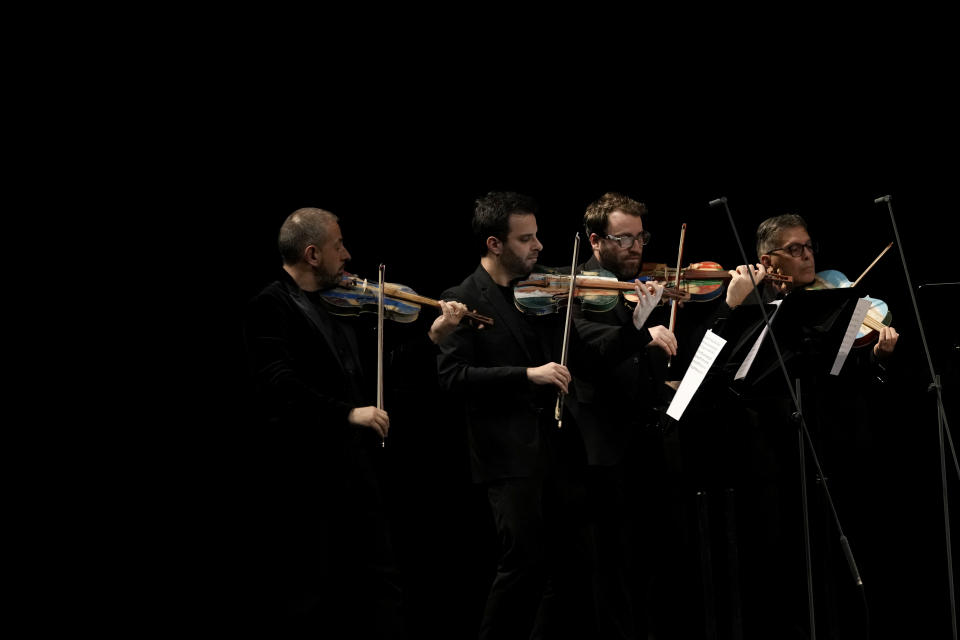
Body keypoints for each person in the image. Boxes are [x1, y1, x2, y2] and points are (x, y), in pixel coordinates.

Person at [436, 192, 665, 640]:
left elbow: (590, 360)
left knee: (575, 570)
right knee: (523, 568)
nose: (539, 247)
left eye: (537, 235)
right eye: (526, 239)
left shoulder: (543, 293)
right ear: (494, 244)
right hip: (508, 457)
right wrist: (527, 374)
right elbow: (453, 377)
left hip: (562, 451)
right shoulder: (461, 299)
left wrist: (638, 325)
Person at [242, 207, 467, 638]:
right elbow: (278, 386)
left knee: (381, 585)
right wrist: (346, 412)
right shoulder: (269, 306)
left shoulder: (339, 305)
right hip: (306, 477)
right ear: (312, 253)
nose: (346, 255)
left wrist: (434, 337)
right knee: (315, 592)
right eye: (338, 245)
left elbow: (380, 372)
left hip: (357, 470)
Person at [565, 192, 676, 639]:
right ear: (596, 241)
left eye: (640, 237)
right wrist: (638, 329)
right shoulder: (578, 288)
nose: (636, 247)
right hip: (601, 445)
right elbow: (594, 352)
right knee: (612, 563)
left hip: (647, 438)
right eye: (623, 238)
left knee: (653, 561)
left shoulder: (639, 286)